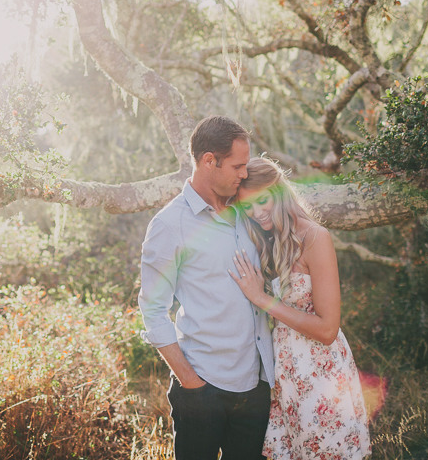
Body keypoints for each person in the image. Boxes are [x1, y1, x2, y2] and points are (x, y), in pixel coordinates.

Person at [138, 116, 274, 460]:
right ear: (208, 161)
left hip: (256, 387)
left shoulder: (247, 212)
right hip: (202, 388)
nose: (244, 174)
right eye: (237, 166)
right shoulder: (170, 225)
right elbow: (153, 311)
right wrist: (191, 384)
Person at [229, 157, 371, 459]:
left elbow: (328, 329)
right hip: (287, 376)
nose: (257, 213)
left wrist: (264, 299)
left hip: (321, 376)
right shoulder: (269, 240)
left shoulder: (316, 238)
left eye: (262, 200)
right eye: (248, 207)